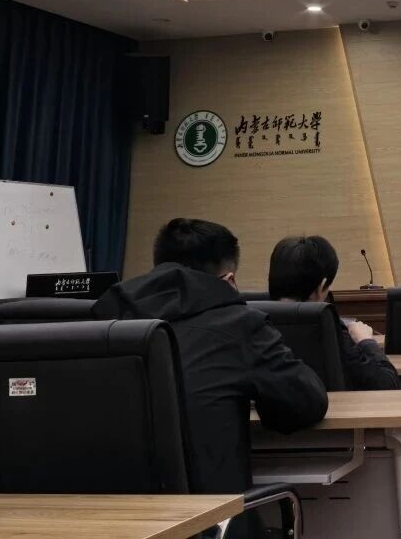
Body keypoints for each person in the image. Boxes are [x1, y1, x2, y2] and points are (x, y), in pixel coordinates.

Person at [94, 218, 327, 536]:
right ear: (229, 280)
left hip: (118, 527)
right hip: (216, 525)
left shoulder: (103, 326)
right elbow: (305, 405)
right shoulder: (239, 324)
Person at [268, 235, 401, 511]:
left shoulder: (251, 325)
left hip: (270, 455)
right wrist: (366, 342)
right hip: (342, 450)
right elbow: (387, 387)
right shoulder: (326, 329)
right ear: (322, 287)